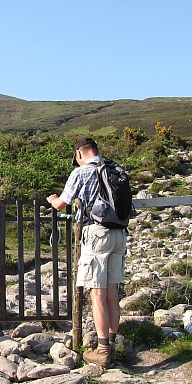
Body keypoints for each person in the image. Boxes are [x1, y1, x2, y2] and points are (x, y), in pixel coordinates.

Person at [46, 138, 127, 367]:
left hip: (97, 235)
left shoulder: (82, 172)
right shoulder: (114, 169)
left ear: (79, 154)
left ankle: (102, 351)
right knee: (112, 293)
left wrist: (52, 200)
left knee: (97, 294)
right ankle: (111, 346)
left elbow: (62, 204)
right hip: (119, 234)